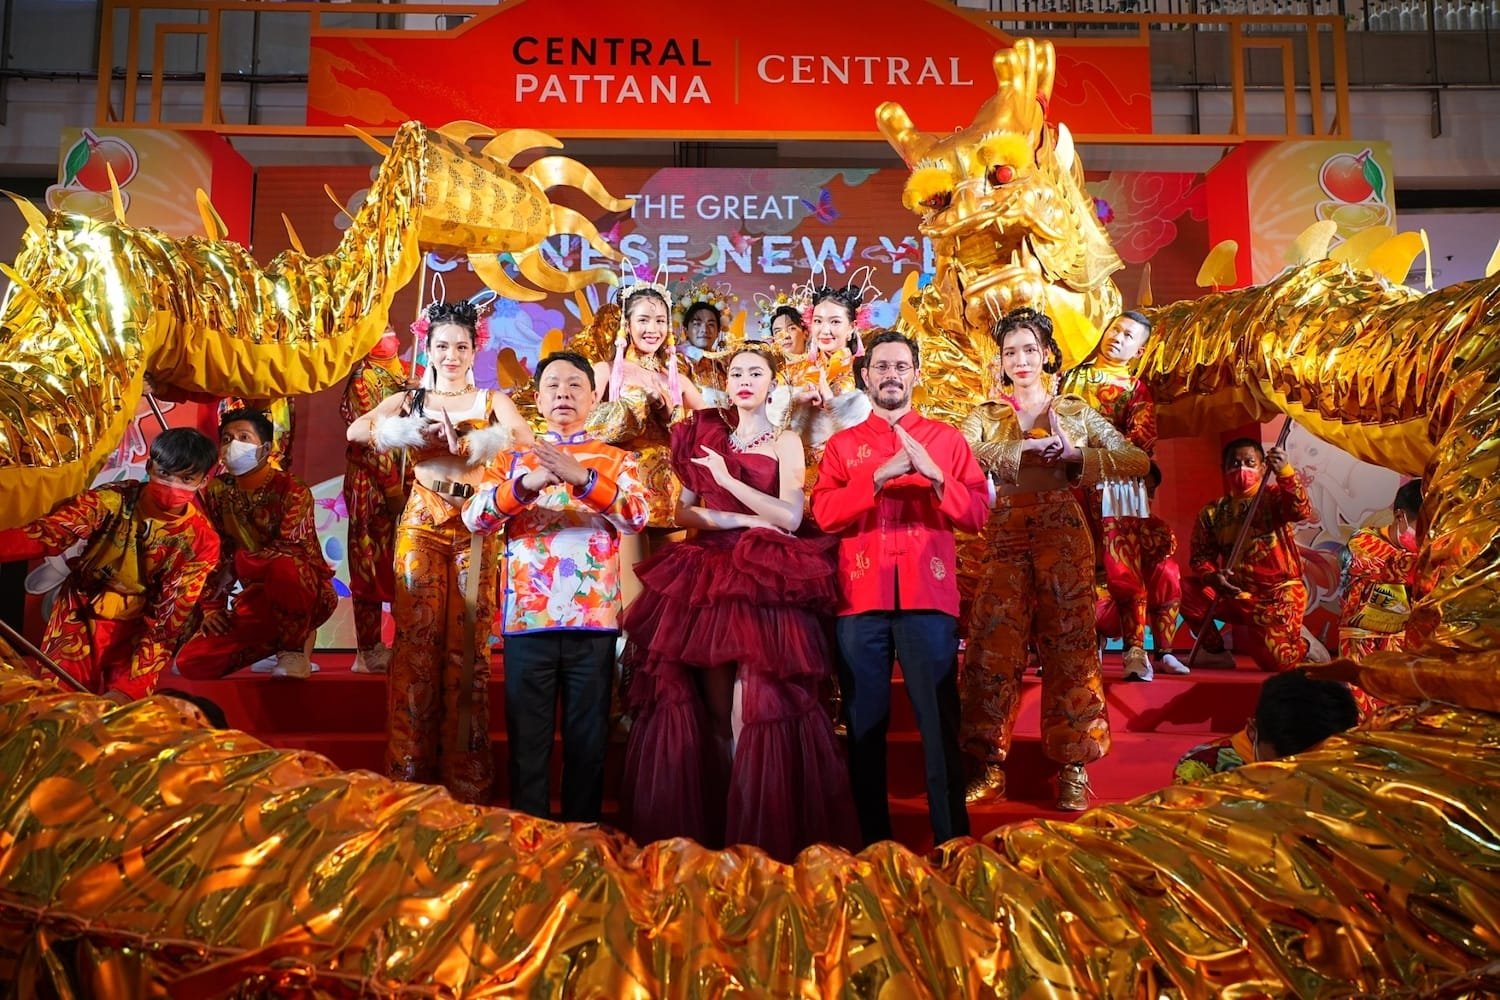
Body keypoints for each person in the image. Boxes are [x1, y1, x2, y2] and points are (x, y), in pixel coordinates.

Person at [622, 342, 858, 861]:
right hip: (704, 577)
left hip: (762, 579)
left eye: (756, 372)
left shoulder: (787, 442)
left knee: (750, 710)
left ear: (773, 384)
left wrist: (729, 483)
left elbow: (792, 517)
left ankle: (754, 839)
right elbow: (685, 514)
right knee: (708, 713)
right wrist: (738, 518)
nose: (745, 380)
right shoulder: (700, 435)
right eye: (736, 373)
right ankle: (719, 833)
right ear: (725, 382)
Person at [959, 307, 1148, 810]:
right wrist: (1018, 453)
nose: (1020, 360)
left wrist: (1076, 458)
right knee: (991, 646)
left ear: (1046, 355)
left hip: (1063, 532)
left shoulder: (1077, 410)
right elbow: (960, 457)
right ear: (999, 362)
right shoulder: (986, 414)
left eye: (1028, 350)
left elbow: (1136, 459)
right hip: (1004, 533)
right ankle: (986, 762)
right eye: (1009, 352)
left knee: (1072, 645)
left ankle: (1074, 765)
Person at [348, 299, 534, 804]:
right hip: (423, 523)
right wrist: (406, 432)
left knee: (467, 649)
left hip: (476, 526)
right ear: (427, 349)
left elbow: (527, 442)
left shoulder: (492, 399)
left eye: (461, 347)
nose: (452, 355)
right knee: (415, 644)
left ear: (475, 350)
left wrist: (484, 443)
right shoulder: (411, 399)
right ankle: (409, 771)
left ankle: (466, 776)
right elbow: (356, 430)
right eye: (443, 346)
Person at [812, 329, 988, 848]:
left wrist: (937, 478)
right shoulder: (843, 446)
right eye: (881, 366)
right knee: (864, 730)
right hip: (859, 602)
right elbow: (824, 514)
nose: (891, 374)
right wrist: (877, 476)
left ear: (915, 374)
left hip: (927, 601)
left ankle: (952, 844)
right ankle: (872, 848)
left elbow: (977, 514)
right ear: (866, 377)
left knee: (938, 729)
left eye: (900, 366)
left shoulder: (947, 440)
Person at [462, 351, 648, 822]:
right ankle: (530, 850)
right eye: (553, 387)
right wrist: (529, 482)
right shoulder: (510, 460)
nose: (563, 394)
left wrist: (582, 480)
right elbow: (475, 517)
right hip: (529, 622)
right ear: (538, 399)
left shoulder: (616, 459)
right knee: (529, 747)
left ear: (593, 397)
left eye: (574, 386)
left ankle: (583, 846)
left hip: (594, 623)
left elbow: (637, 516)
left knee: (588, 747)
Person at [0, 428, 220, 700]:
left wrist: (129, 688)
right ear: (150, 466)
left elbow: (169, 619)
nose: (173, 485)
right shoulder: (113, 499)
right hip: (80, 610)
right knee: (59, 702)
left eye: (186, 478)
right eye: (165, 474)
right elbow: (52, 532)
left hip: (140, 626)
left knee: (121, 712)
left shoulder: (202, 541)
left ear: (203, 481)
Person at [1061, 311, 1183, 682]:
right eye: (1115, 328)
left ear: (1138, 348)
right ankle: (1082, 647)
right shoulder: (1071, 376)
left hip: (1118, 486)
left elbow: (1142, 441)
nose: (1117, 337)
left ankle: (1135, 649)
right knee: (1074, 564)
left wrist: (1094, 457)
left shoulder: (1135, 388)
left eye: (1128, 335)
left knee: (1122, 568)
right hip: (1072, 483)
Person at [177, 410, 337, 680]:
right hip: (254, 602)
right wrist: (212, 608)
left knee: (284, 567)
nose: (233, 445)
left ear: (264, 449)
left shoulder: (291, 489)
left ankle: (294, 651)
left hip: (306, 594)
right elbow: (213, 550)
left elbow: (290, 550)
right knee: (191, 662)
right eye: (227, 438)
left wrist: (239, 562)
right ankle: (275, 646)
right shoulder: (217, 491)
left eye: (243, 437)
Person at [1181, 437, 1325, 672]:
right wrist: (1212, 577)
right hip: (1234, 595)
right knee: (1184, 590)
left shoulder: (1272, 497)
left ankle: (1305, 643)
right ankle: (1215, 653)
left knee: (1276, 663)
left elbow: (1300, 511)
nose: (1241, 469)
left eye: (1249, 462)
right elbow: (1200, 557)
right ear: (1224, 468)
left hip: (1277, 595)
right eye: (1234, 463)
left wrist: (1285, 473)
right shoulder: (1213, 512)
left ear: (1262, 466)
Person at [339, 328, 411, 674]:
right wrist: (391, 486)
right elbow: (368, 438)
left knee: (405, 562)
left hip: (406, 477)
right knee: (368, 559)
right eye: (380, 330)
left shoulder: (407, 373)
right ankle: (367, 650)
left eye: (390, 329)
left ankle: (410, 641)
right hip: (371, 482)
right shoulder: (363, 379)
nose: (387, 335)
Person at [1173, 668, 1358, 782]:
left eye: (1309, 766)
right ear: (1253, 731)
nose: (1295, 776)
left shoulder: (1351, 766)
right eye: (1282, 764)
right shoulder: (1202, 771)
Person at [1094, 463, 1189, 679]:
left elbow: (1165, 546)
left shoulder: (1154, 527)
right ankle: (1090, 643)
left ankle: (1162, 652)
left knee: (1168, 570)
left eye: (1149, 490)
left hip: (1136, 603)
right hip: (1100, 603)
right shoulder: (1099, 518)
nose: (1143, 495)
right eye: (1138, 487)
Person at [1339, 479, 1422, 659]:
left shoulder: (1419, 551)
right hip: (1363, 648)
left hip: (1405, 648)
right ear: (1400, 517)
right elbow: (1401, 566)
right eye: (1422, 529)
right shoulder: (1363, 542)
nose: (1427, 537)